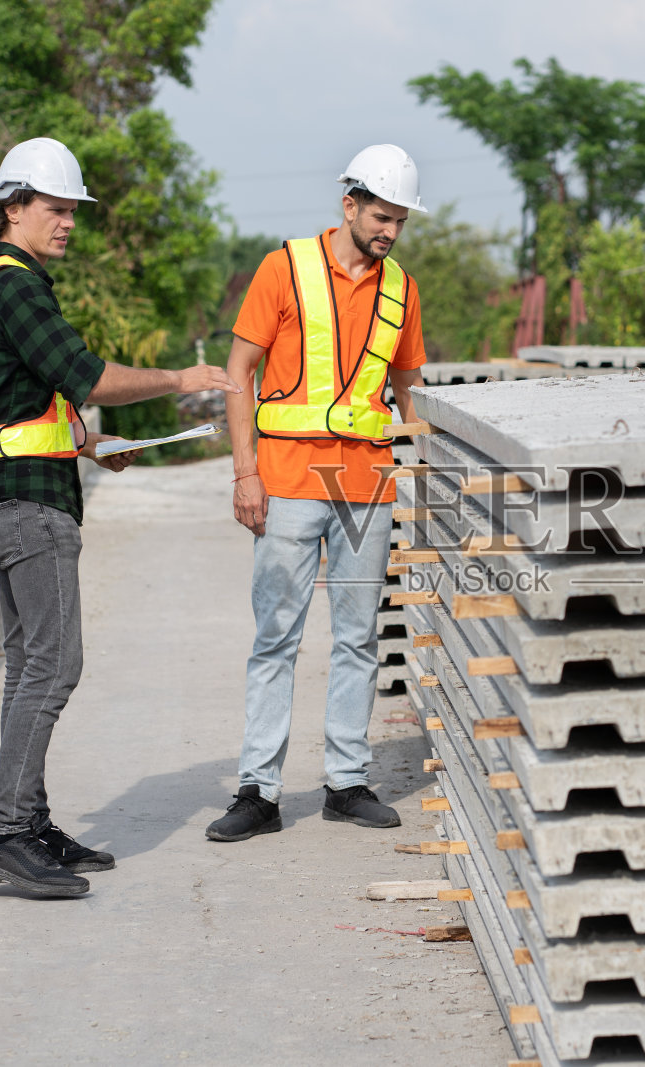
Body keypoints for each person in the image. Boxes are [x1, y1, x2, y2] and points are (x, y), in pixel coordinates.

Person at [0, 136, 238, 897]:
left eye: (73, 210)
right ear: (13, 207)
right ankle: (11, 833)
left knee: (28, 667)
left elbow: (22, 405)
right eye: (56, 208)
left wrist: (89, 442)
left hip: (12, 498)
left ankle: (29, 820)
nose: (69, 221)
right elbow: (86, 375)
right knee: (53, 666)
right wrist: (181, 376)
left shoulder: (4, 285)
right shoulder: (16, 286)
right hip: (27, 508)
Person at [205, 144, 429, 842]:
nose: (389, 230)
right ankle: (259, 791)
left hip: (367, 488)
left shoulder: (402, 290)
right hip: (287, 483)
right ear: (350, 204)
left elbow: (411, 392)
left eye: (399, 220)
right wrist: (245, 473)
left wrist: (428, 482)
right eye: (381, 215)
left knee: (360, 637)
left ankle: (347, 782)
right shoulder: (285, 269)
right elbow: (239, 372)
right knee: (277, 636)